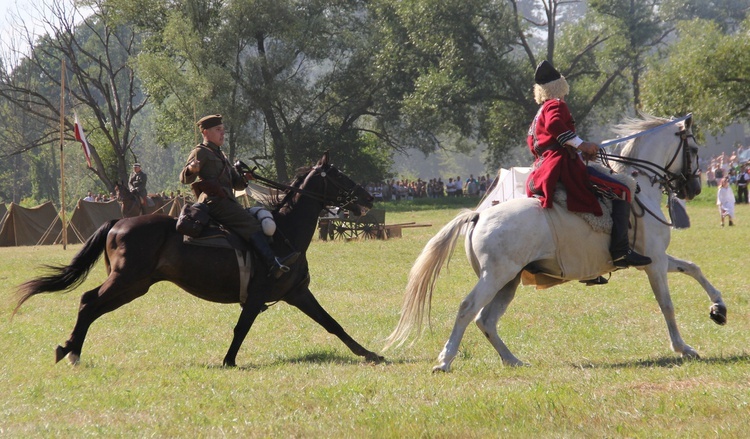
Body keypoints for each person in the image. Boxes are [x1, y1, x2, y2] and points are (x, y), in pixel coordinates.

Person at [526, 60, 651, 268]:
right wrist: (582, 145)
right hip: (562, 167)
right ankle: (620, 252)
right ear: (560, 87)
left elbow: (546, 142)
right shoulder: (556, 104)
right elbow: (555, 126)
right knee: (622, 189)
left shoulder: (539, 113)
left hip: (541, 169)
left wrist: (578, 149)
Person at [180, 114, 299, 278]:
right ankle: (272, 264)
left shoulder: (222, 155)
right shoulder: (200, 152)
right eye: (218, 130)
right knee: (251, 224)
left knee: (259, 216)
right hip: (214, 202)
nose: (222, 134)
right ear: (206, 132)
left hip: (227, 201)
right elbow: (184, 178)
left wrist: (245, 179)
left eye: (223, 130)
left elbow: (236, 184)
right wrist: (191, 170)